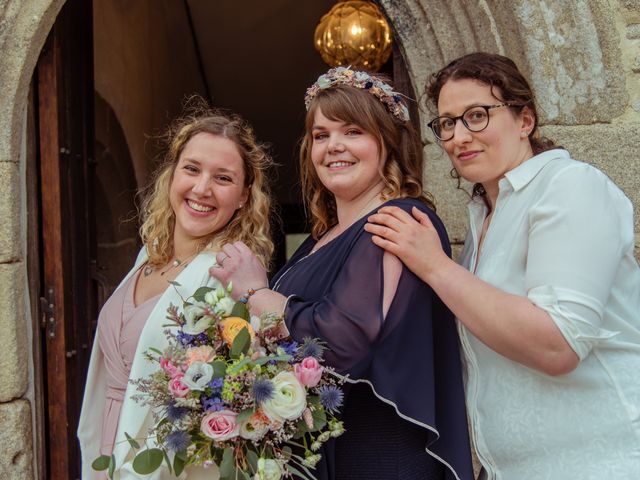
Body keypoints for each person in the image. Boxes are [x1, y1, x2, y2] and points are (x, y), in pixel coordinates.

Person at [365, 52, 640, 479]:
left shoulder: (569, 186)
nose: (458, 136)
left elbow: (558, 343)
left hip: (600, 462)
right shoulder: (483, 219)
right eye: (448, 124)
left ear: (524, 120)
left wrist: (435, 266)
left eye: (477, 116)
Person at [210, 67, 473, 480]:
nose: (333, 146)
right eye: (321, 135)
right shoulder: (319, 239)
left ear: (386, 141)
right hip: (326, 456)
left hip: (379, 458)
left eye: (352, 131)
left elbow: (341, 343)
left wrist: (257, 294)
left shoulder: (398, 221)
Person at [77, 104, 274, 479]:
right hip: (108, 447)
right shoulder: (146, 257)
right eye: (192, 168)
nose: (202, 188)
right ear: (171, 174)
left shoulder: (230, 274)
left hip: (172, 464)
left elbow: (231, 398)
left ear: (245, 195)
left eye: (223, 178)